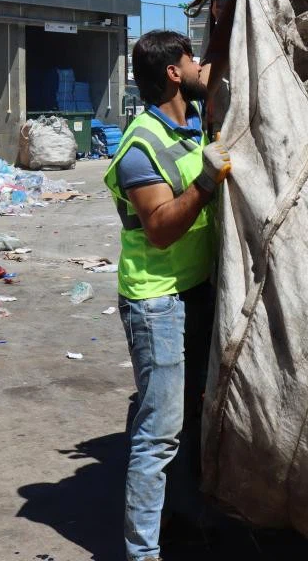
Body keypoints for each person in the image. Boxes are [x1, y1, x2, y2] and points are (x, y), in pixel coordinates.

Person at [102, 29, 231, 561]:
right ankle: (142, 553)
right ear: (174, 72)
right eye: (191, 59)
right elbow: (158, 229)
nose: (202, 67)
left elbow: (216, 68)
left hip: (194, 290)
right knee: (158, 433)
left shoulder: (191, 122)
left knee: (187, 417)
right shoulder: (141, 145)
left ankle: (178, 517)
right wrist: (206, 181)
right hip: (157, 302)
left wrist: (229, 14)